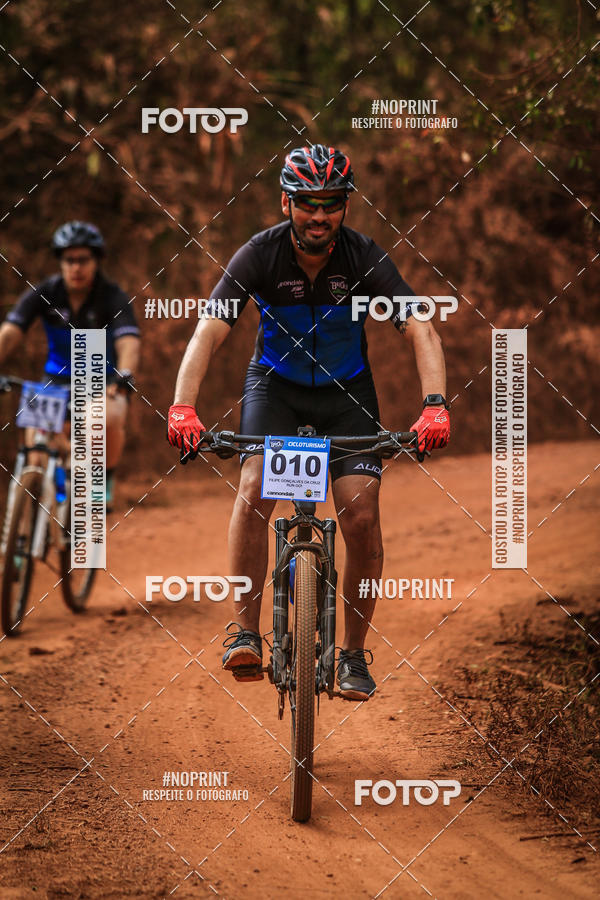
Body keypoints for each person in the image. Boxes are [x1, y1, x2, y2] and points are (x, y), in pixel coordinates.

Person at [167, 145, 450, 700]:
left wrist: (435, 402)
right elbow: (208, 331)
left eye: (332, 204)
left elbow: (420, 327)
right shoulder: (259, 256)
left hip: (347, 394)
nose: (319, 216)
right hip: (275, 391)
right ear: (286, 202)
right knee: (252, 488)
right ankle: (245, 632)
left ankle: (351, 654)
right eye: (307, 203)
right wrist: (182, 406)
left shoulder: (363, 256)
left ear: (345, 207)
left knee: (361, 513)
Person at [0, 221, 141, 507]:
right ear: (61, 263)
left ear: (96, 261)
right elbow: (10, 333)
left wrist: (125, 374)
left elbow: (129, 341)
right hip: (53, 383)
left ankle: (105, 476)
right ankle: (20, 539)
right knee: (35, 456)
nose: (76, 267)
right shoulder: (45, 292)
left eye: (83, 260)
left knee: (105, 420)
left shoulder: (112, 296)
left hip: (102, 383)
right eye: (69, 260)